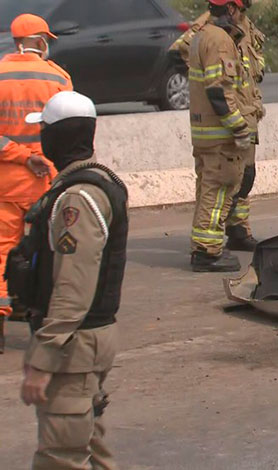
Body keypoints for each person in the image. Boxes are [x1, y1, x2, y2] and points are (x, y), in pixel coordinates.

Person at [9, 91, 126, 470]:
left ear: (57, 136)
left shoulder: (78, 198)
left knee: (60, 457)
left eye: (44, 130)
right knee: (91, 449)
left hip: (72, 346)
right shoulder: (91, 184)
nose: (40, 137)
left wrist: (43, 357)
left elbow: (73, 287)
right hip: (82, 341)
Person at [0, 14, 72, 353]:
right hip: (45, 180)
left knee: (1, 249)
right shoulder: (58, 77)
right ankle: (39, 318)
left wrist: (18, 154)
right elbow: (70, 131)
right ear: (39, 40)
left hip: (5, 181)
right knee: (45, 250)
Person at [171, 0, 266, 252]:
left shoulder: (244, 27)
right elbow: (184, 52)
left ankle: (238, 229)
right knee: (222, 181)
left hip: (247, 112)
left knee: (244, 177)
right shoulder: (211, 30)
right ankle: (209, 245)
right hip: (228, 119)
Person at [188, 0, 253, 271]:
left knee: (207, 192)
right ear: (230, 9)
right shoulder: (221, 40)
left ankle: (204, 247)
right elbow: (219, 92)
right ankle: (207, 252)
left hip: (204, 134)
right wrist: (239, 127)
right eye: (239, 10)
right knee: (218, 193)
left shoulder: (200, 36)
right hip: (220, 137)